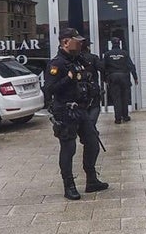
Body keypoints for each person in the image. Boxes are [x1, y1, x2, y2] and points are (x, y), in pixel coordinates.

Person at [44, 28, 108, 200]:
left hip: (81, 109)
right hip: (65, 111)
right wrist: (69, 78)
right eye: (77, 40)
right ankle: (69, 185)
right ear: (66, 42)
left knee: (93, 142)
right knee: (69, 148)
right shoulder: (56, 64)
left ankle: (92, 180)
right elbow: (49, 89)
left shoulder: (79, 60)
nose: (80, 43)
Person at [102, 37, 138, 124]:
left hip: (113, 77)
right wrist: (135, 77)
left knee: (116, 98)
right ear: (119, 44)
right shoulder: (124, 53)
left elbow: (103, 67)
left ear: (111, 44)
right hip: (124, 77)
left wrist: (104, 79)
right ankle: (125, 116)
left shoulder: (107, 54)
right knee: (124, 97)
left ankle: (118, 118)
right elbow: (131, 66)